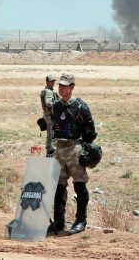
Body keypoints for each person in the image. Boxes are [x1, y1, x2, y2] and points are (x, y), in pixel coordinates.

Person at [50, 73, 96, 235]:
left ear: (72, 87)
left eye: (64, 85)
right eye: (59, 85)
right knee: (59, 186)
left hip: (74, 147)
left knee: (79, 184)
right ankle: (59, 222)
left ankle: (81, 221)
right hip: (59, 148)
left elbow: (90, 130)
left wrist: (85, 147)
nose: (61, 88)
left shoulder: (80, 106)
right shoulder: (56, 106)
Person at [40, 74, 59, 157]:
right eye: (51, 81)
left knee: (49, 133)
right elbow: (48, 103)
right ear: (47, 82)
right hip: (50, 116)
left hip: (47, 115)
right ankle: (51, 151)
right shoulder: (48, 91)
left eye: (53, 81)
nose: (53, 83)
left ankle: (49, 150)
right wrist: (57, 104)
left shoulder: (46, 90)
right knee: (52, 134)